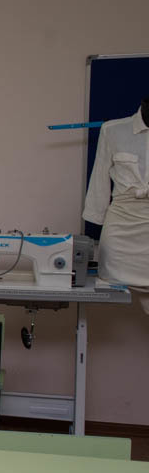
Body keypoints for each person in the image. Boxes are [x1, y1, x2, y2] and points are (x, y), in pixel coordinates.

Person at [82, 98, 149, 315]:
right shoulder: (112, 130)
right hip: (122, 230)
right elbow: (99, 178)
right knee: (109, 290)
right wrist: (95, 216)